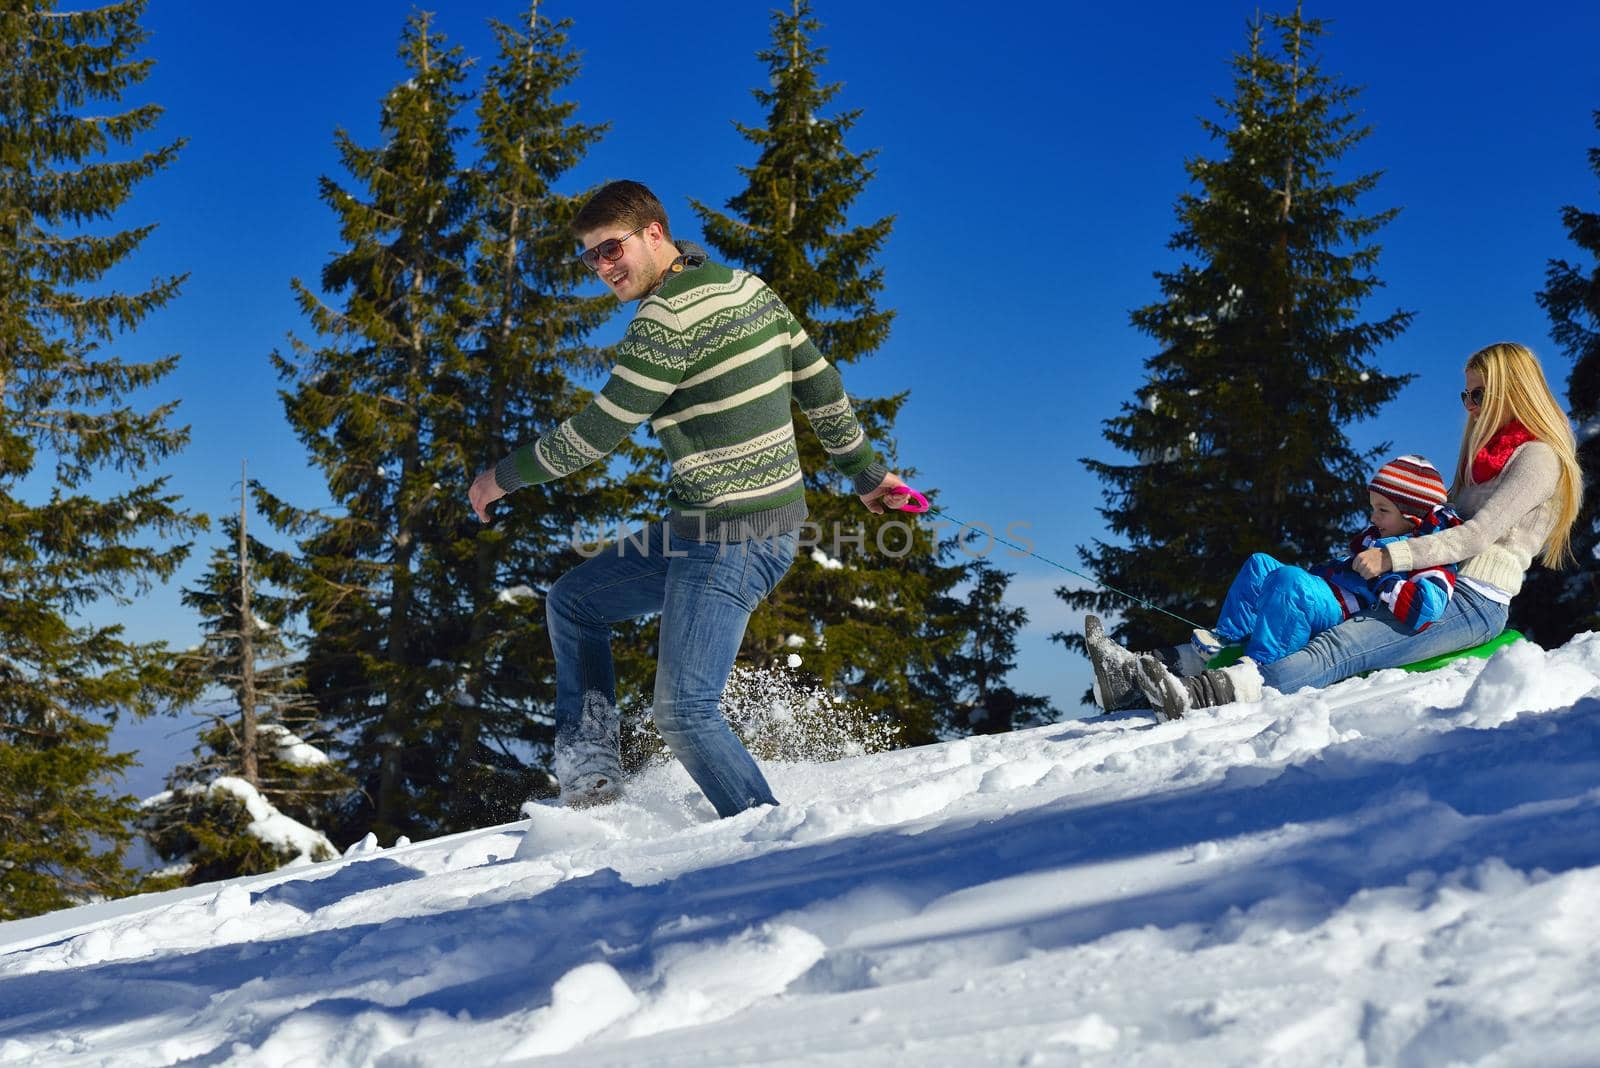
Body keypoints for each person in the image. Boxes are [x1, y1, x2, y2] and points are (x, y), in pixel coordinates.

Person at [468, 180, 911, 816]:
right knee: (574, 602)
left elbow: (597, 433)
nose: (602, 268)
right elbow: (820, 384)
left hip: (732, 537)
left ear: (655, 233)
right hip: (713, 527)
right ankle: (593, 777)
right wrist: (867, 476)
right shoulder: (750, 289)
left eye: (611, 249)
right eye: (591, 258)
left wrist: (499, 478)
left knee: (683, 713)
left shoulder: (664, 321)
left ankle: (771, 844)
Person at [1088, 341, 1584, 721]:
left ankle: (1203, 695)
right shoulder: (1481, 458)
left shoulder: (1537, 458)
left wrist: (1393, 557)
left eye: (1479, 394)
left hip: (1470, 602)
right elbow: (1439, 520)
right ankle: (1137, 675)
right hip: (1423, 578)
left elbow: (1476, 536)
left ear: (1510, 392)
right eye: (1466, 395)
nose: (1470, 407)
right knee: (1289, 600)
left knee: (1336, 649)